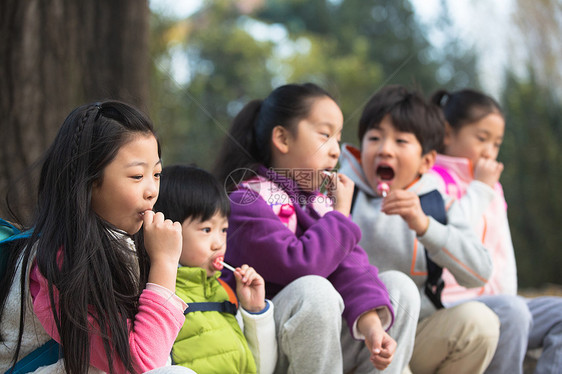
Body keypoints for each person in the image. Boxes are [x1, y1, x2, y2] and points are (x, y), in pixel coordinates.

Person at [213, 82, 420, 374]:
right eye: (325, 135)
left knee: (400, 289)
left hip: (320, 346)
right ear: (283, 139)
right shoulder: (247, 199)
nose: (336, 152)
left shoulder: (319, 204)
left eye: (338, 138)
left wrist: (373, 327)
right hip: (263, 348)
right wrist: (341, 216)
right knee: (315, 290)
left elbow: (352, 268)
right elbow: (299, 265)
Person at [0, 101, 195, 374]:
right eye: (137, 176)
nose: (152, 190)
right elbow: (140, 361)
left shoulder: (121, 243)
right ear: (89, 181)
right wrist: (164, 264)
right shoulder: (59, 260)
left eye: (157, 174)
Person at [339, 85, 500, 374]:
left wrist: (425, 226)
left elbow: (479, 273)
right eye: (374, 138)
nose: (385, 149)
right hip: (351, 336)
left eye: (401, 141)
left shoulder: (438, 204)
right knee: (393, 285)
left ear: (426, 161)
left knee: (481, 324)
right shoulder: (339, 194)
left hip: (416, 337)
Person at [429, 88, 562, 374]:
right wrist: (479, 188)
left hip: (501, 304)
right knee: (512, 312)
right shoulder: (433, 181)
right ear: (447, 133)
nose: (490, 150)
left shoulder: (491, 187)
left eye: (496, 143)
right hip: (455, 306)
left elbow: (503, 250)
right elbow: (450, 237)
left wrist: (509, 296)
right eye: (481, 139)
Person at [153, 164, 277, 373]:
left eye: (224, 230)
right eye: (207, 229)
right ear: (169, 229)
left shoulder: (225, 293)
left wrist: (255, 311)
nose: (218, 243)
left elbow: (261, 369)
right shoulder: (160, 296)